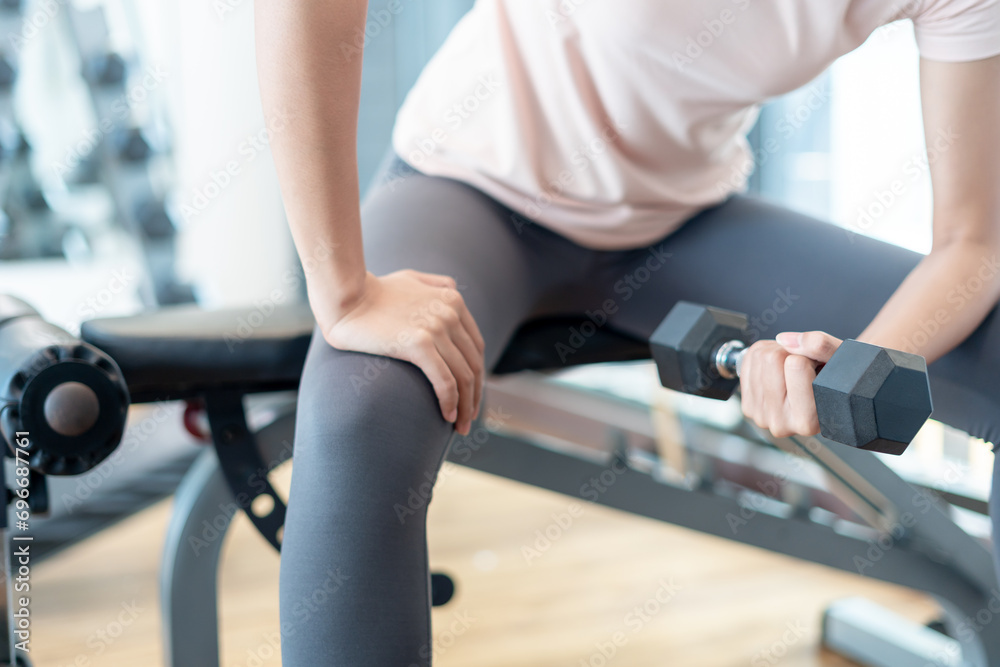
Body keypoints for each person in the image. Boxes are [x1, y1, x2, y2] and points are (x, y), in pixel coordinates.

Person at [254, 1, 1000, 664]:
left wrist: (859, 360)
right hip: (470, 191)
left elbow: (975, 241)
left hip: (679, 222)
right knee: (366, 404)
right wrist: (343, 287)